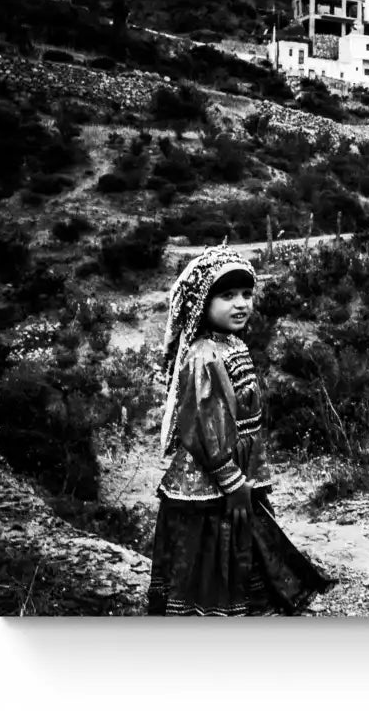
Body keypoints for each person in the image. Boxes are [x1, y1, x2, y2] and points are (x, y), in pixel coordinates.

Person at [146, 246, 333, 616]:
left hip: (237, 467)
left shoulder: (231, 344)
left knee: (239, 542)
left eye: (247, 294)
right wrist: (230, 480)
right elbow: (202, 424)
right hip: (212, 478)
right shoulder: (204, 355)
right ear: (202, 301)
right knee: (211, 545)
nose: (241, 304)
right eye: (227, 295)